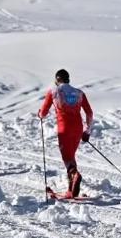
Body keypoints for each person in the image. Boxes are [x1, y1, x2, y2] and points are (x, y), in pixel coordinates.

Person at [38, 69, 93, 198]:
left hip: (64, 128)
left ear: (57, 80)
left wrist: (40, 114)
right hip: (78, 128)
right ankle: (71, 189)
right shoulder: (79, 93)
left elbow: (43, 113)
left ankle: (75, 174)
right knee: (71, 156)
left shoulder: (54, 92)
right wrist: (87, 131)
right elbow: (89, 113)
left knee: (67, 157)